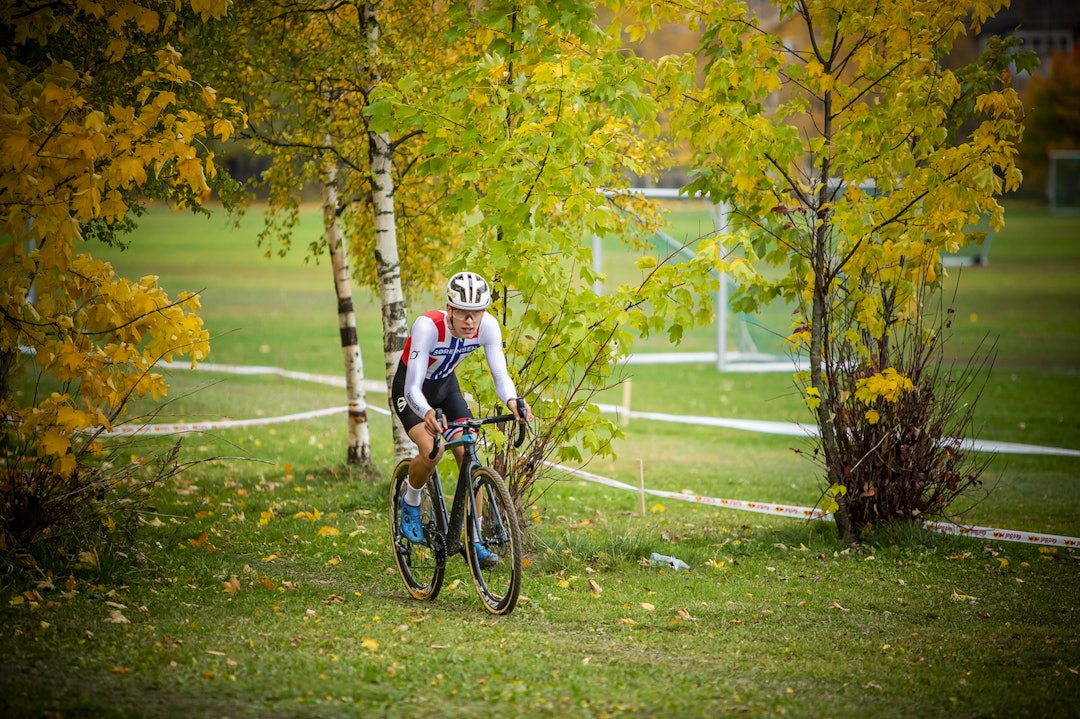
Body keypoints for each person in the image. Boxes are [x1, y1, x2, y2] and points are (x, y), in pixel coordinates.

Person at [391, 271, 532, 567]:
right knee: (432, 450)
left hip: (446, 388)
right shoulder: (428, 326)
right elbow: (412, 387)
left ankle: (474, 538)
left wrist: (513, 400)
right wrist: (427, 413)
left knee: (469, 454)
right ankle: (411, 501)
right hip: (413, 391)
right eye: (464, 314)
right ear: (450, 309)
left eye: (476, 313)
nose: (470, 321)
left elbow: (500, 375)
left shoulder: (488, 327)